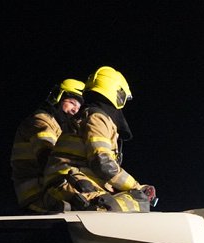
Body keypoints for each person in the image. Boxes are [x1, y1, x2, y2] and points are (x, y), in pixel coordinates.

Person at [42, 65, 154, 212]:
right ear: (118, 94)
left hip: (68, 184)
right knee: (139, 201)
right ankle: (91, 209)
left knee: (122, 197)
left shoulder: (90, 115)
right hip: (70, 184)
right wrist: (137, 187)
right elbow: (102, 163)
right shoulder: (98, 118)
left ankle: (75, 206)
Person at [11, 78, 85, 212]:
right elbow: (49, 157)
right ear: (58, 98)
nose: (75, 110)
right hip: (36, 195)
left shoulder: (59, 127)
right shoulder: (40, 121)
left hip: (49, 191)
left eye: (78, 107)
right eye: (72, 103)